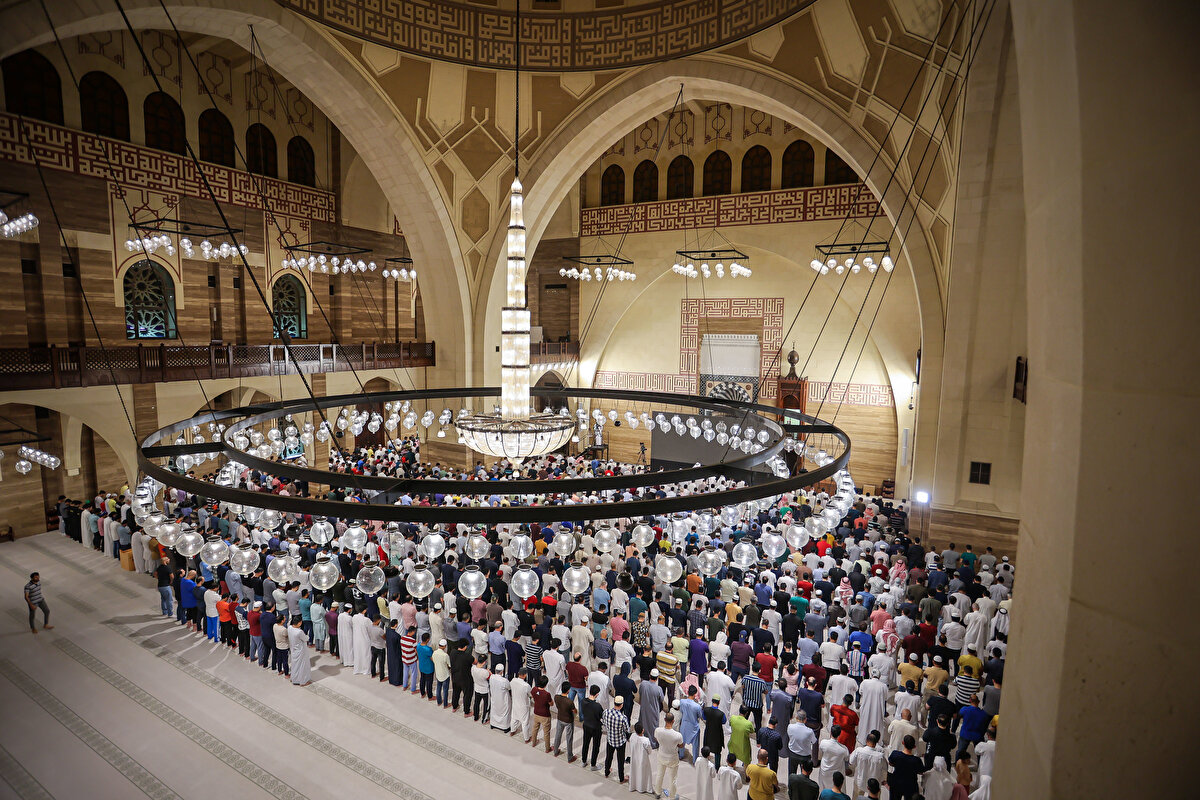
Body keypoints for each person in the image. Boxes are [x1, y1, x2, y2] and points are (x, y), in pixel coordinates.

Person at [653, 711, 684, 798]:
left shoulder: (658, 731)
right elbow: (681, 745)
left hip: (661, 755)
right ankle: (672, 797)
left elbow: (656, 739)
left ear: (664, 719)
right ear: (673, 721)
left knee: (659, 775)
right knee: (673, 779)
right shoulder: (677, 735)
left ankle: (658, 792)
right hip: (672, 758)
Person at [887, 734, 926, 800]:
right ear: (914, 746)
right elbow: (921, 772)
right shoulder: (916, 760)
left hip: (896, 783)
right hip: (911, 785)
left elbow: (890, 763)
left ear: (903, 743)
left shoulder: (895, 754)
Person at [602, 695, 631, 782]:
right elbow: (627, 730)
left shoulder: (606, 712)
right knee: (620, 760)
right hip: (620, 741)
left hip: (610, 739)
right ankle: (621, 778)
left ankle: (606, 772)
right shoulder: (623, 718)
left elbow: (603, 722)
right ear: (621, 705)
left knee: (609, 757)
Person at [817, 725, 850, 791]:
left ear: (830, 733)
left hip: (825, 771)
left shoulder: (823, 743)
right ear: (839, 734)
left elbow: (819, 757)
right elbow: (847, 759)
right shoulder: (844, 749)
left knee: (823, 789)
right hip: (837, 774)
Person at [552, 681, 577, 762]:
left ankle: (555, 751)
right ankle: (570, 757)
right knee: (569, 738)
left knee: (558, 735)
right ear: (568, 691)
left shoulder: (556, 697)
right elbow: (575, 711)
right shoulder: (569, 701)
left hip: (560, 718)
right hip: (568, 720)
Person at [580, 685, 604, 769]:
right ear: (597, 694)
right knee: (595, 746)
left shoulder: (583, 701)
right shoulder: (597, 706)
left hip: (586, 725)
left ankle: (584, 761)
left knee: (585, 744)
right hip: (595, 727)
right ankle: (593, 765)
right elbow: (602, 716)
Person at [628, 722, 654, 794]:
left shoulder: (632, 736)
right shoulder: (646, 740)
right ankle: (643, 788)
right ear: (643, 730)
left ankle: (634, 786)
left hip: (634, 758)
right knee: (643, 774)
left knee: (635, 772)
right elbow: (650, 751)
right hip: (643, 760)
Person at [529, 676, 553, 752]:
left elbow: (533, 696)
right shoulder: (547, 694)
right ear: (546, 684)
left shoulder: (533, 689)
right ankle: (547, 748)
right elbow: (551, 704)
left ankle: (533, 742)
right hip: (545, 715)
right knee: (546, 732)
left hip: (536, 712)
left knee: (535, 728)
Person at [288, 616, 312, 686]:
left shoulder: (290, 628)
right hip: (301, 650)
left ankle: (294, 678)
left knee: (295, 665)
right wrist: (308, 636)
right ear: (299, 623)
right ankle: (303, 681)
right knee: (302, 666)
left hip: (294, 649)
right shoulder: (299, 632)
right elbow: (305, 639)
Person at [510, 668, 532, 740]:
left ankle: (512, 731)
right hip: (523, 706)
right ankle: (526, 738)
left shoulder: (513, 681)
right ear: (525, 675)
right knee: (525, 723)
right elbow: (530, 695)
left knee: (514, 718)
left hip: (515, 703)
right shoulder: (526, 685)